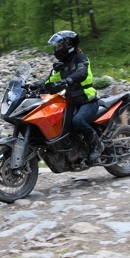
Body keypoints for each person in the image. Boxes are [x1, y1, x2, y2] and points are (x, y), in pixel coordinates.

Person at [40, 30, 104, 163]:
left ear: (68, 45)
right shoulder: (63, 64)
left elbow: (82, 73)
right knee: (60, 123)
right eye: (56, 46)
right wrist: (34, 86)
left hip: (87, 101)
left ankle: (98, 145)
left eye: (59, 45)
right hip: (71, 102)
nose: (56, 49)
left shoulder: (80, 58)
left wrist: (68, 80)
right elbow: (50, 80)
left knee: (77, 121)